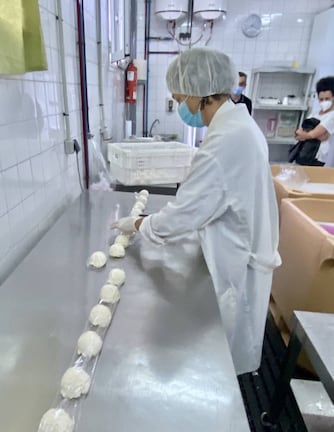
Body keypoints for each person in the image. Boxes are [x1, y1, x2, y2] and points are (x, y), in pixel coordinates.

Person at [112, 48, 280, 376]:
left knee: (223, 359)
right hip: (243, 243)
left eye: (179, 99)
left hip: (237, 258)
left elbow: (183, 216)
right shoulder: (238, 125)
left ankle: (229, 409)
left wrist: (137, 223)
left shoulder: (226, 141)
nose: (182, 108)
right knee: (228, 343)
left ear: (199, 94)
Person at [294, 76, 334, 165]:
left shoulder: (331, 116)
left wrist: (308, 135)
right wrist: (309, 135)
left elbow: (313, 134)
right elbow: (298, 132)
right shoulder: (316, 113)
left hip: (317, 155)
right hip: (304, 151)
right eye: (321, 99)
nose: (324, 102)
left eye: (327, 99)